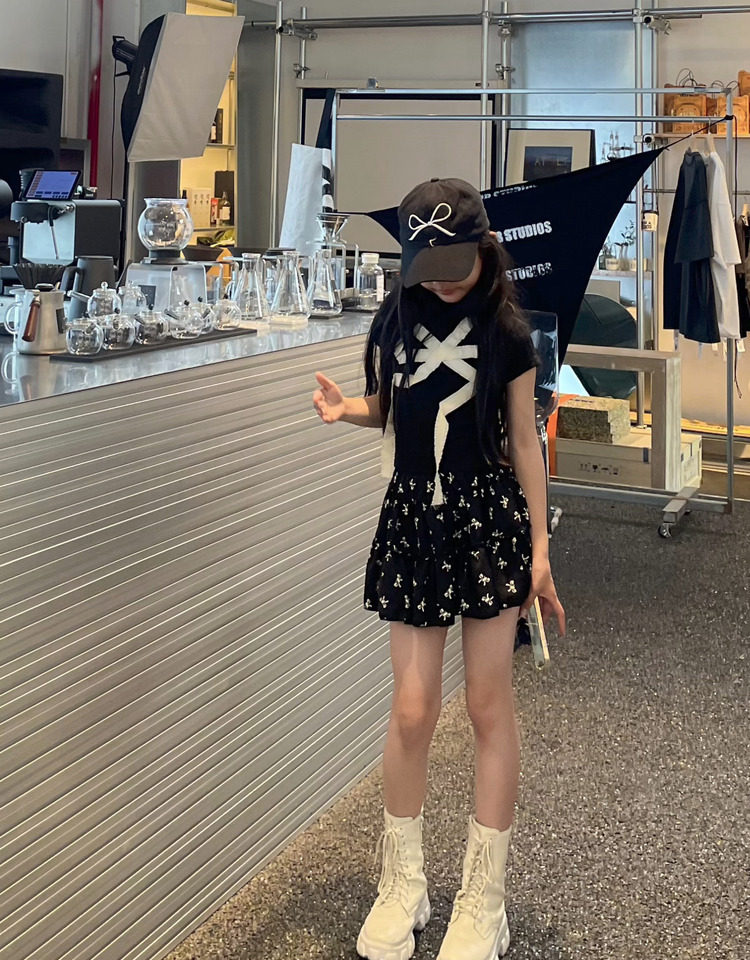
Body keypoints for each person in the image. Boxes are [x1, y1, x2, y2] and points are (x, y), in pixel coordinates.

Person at [312, 177, 566, 960]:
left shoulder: (508, 334)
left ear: (486, 249)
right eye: (431, 265)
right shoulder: (398, 318)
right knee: (413, 709)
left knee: (488, 705)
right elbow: (395, 407)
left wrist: (540, 550)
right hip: (414, 520)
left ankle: (484, 902)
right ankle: (404, 885)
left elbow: (523, 441)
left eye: (458, 262)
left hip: (488, 521)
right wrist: (348, 410)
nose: (446, 279)